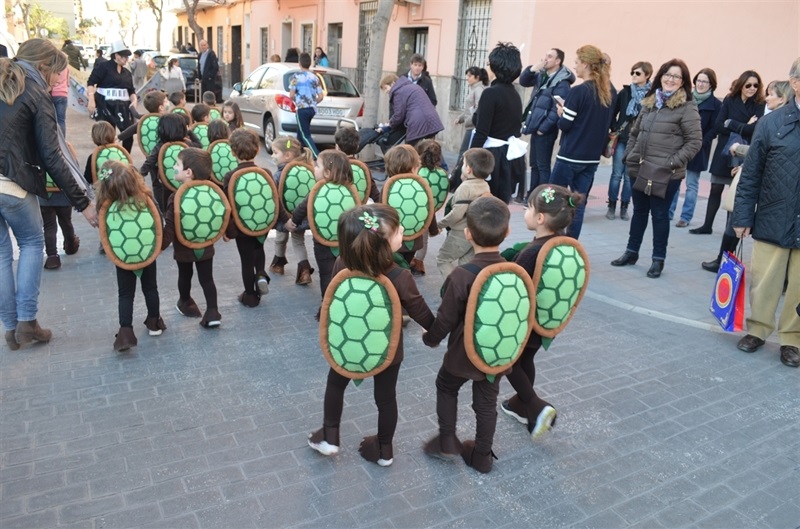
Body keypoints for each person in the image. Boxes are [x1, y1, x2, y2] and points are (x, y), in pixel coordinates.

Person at [307, 204, 435, 465]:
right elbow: (420, 311)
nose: (403, 230)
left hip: (346, 345)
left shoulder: (342, 265)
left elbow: (334, 298)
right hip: (388, 349)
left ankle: (330, 435)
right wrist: (433, 330)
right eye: (398, 231)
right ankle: (384, 449)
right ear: (383, 245)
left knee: (335, 384)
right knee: (385, 398)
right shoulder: (400, 276)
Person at [1, 38, 98, 351]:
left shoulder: (7, 81)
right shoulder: (35, 92)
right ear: (43, 66)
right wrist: (83, 203)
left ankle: (10, 329)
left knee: (1, 255)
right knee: (32, 243)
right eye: (57, 73)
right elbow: (52, 155)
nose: (58, 80)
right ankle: (28, 322)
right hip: (12, 184)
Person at [422, 195, 511, 474]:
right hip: (497, 352)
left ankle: (448, 440)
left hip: (464, 354)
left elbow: (446, 318)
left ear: (468, 234)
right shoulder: (513, 270)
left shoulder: (462, 275)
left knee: (446, 386)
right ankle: (482, 456)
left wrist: (430, 338)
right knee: (486, 402)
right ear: (507, 232)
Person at [732, 58, 800, 368]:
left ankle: (792, 339)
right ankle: (758, 330)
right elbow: (751, 174)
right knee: (765, 280)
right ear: (795, 83)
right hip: (773, 214)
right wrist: (743, 217)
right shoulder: (772, 123)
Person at [501, 184, 583, 439]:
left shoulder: (532, 252)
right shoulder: (566, 244)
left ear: (540, 218)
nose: (524, 211)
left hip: (526, 323)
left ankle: (536, 407)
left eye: (528, 207)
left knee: (509, 361)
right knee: (526, 359)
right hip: (547, 322)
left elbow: (515, 289)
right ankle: (519, 406)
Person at [610, 59, 702, 278]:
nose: (670, 79)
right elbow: (635, 133)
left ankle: (658, 259)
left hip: (666, 174)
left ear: (683, 82)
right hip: (640, 168)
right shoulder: (650, 102)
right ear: (660, 77)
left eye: (676, 76)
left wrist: (670, 163)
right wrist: (630, 157)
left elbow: (694, 142)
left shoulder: (687, 107)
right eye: (667, 75)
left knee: (660, 216)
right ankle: (631, 252)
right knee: (639, 212)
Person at [700, 80, 793, 273]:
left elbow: (765, 151)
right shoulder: (772, 119)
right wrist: (745, 166)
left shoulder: (778, 123)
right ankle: (723, 261)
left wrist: (739, 149)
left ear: (782, 98)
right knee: (735, 221)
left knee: (742, 223)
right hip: (759, 178)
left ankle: (727, 263)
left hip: (770, 186)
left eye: (771, 94)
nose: (767, 98)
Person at [94, 160, 166, 351]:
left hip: (123, 257)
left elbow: (105, 233)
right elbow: (158, 221)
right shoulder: (146, 199)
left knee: (125, 294)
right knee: (151, 288)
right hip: (147, 253)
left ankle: (125, 331)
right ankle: (154, 323)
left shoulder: (105, 207)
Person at [550, 44, 616, 239]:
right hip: (591, 158)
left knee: (552, 199)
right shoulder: (609, 91)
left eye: (577, 62)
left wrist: (562, 112)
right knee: (578, 205)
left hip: (570, 155)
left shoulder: (578, 91)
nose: (575, 66)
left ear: (586, 64)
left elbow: (565, 124)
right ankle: (572, 244)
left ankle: (549, 242)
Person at [690, 70, 765, 235]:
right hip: (724, 150)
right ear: (741, 85)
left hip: (743, 151)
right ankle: (707, 225)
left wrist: (731, 123)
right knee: (715, 189)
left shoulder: (759, 104)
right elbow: (718, 125)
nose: (752, 88)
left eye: (756, 85)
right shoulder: (730, 100)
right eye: (748, 85)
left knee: (735, 192)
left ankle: (729, 231)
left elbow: (754, 130)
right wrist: (745, 124)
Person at [285, 150, 357, 307]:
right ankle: (344, 302)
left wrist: (293, 222)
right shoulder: (350, 189)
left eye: (317, 165)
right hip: (346, 242)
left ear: (328, 172)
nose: (314, 167)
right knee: (345, 272)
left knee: (326, 274)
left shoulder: (318, 190)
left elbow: (302, 208)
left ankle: (327, 306)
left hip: (322, 242)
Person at [161, 148, 222, 328]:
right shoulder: (213, 191)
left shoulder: (176, 197)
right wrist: (229, 232)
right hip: (206, 245)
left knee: (185, 275)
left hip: (184, 248)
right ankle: (213, 311)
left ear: (188, 172)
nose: (173, 167)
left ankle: (185, 301)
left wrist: (159, 246)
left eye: (177, 164)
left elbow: (170, 227)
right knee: (207, 279)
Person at [469, 42, 525, 204]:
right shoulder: (514, 93)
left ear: (494, 67)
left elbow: (481, 132)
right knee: (498, 205)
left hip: (491, 157)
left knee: (483, 205)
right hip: (507, 157)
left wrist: (469, 159)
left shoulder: (491, 93)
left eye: (488, 64)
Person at [222, 129, 271, 307]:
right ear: (257, 150)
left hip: (242, 226)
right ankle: (261, 274)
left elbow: (228, 205)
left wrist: (227, 230)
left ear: (233, 152)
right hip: (262, 222)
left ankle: (250, 295)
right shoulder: (265, 172)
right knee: (259, 248)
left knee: (246, 261)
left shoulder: (231, 176)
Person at [520, 48, 576, 198]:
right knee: (534, 164)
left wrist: (543, 128)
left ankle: (543, 197)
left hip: (545, 130)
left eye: (550, 57)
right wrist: (532, 69)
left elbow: (556, 109)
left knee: (543, 165)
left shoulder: (562, 82)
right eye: (545, 56)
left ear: (558, 61)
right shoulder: (542, 75)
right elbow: (523, 81)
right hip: (535, 126)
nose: (545, 59)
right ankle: (532, 194)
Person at [670, 68, 722, 228]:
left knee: (691, 184)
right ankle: (668, 212)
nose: (701, 84)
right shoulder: (685, 98)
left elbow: (714, 128)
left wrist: (701, 142)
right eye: (699, 80)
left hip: (698, 149)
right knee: (674, 181)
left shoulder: (716, 105)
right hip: (679, 146)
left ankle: (685, 217)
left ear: (711, 84)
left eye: (705, 81)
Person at [606, 61, 652, 220]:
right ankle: (611, 205)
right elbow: (613, 112)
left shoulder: (651, 96)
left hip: (639, 141)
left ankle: (624, 207)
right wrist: (615, 128)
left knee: (629, 176)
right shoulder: (625, 92)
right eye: (632, 72)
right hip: (622, 138)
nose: (634, 75)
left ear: (647, 75)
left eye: (638, 73)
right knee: (616, 174)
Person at [436, 148, 493, 277]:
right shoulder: (485, 185)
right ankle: (466, 287)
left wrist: (440, 224)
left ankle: (454, 286)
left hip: (460, 233)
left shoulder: (465, 188)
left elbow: (457, 214)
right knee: (465, 264)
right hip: (477, 232)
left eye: (464, 164)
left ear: (468, 169)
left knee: (443, 259)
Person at [268, 136, 315, 283]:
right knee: (299, 241)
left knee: (280, 238)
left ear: (287, 155)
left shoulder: (279, 175)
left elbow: (275, 198)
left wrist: (284, 219)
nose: (272, 156)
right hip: (301, 218)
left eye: (275, 152)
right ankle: (304, 272)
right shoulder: (308, 171)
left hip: (284, 217)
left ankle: (278, 264)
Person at [87, 40, 138, 154]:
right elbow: (91, 82)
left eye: (127, 56)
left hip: (122, 107)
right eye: (124, 56)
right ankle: (105, 157)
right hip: (105, 105)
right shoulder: (103, 67)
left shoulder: (127, 73)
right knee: (106, 135)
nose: (126, 59)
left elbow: (131, 90)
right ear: (116, 55)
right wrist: (91, 99)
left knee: (128, 135)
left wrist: (134, 100)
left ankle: (125, 158)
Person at [379, 73, 444, 146]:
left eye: (386, 88)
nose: (385, 91)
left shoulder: (398, 92)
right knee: (431, 149)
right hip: (432, 121)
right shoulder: (411, 86)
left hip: (418, 123)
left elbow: (399, 115)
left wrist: (389, 124)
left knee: (410, 149)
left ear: (392, 83)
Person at [451, 66, 489, 189]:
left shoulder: (479, 90)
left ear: (477, 77)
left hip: (472, 127)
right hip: (469, 125)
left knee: (465, 153)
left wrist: (468, 120)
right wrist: (461, 118)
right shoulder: (474, 89)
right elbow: (469, 109)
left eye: (469, 76)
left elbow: (478, 109)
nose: (467, 78)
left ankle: (458, 181)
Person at [289, 52, 324, 156]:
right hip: (311, 109)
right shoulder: (315, 78)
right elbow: (321, 96)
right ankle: (299, 155)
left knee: (305, 135)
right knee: (300, 134)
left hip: (302, 109)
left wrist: (298, 101)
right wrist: (313, 103)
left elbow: (291, 95)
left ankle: (317, 156)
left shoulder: (295, 77)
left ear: (299, 63)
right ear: (310, 63)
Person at [51, 69, 69, 133]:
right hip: (63, 94)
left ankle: (53, 136)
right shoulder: (66, 67)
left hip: (52, 93)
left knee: (50, 118)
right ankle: (62, 138)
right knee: (61, 120)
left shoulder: (53, 65)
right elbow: (68, 82)